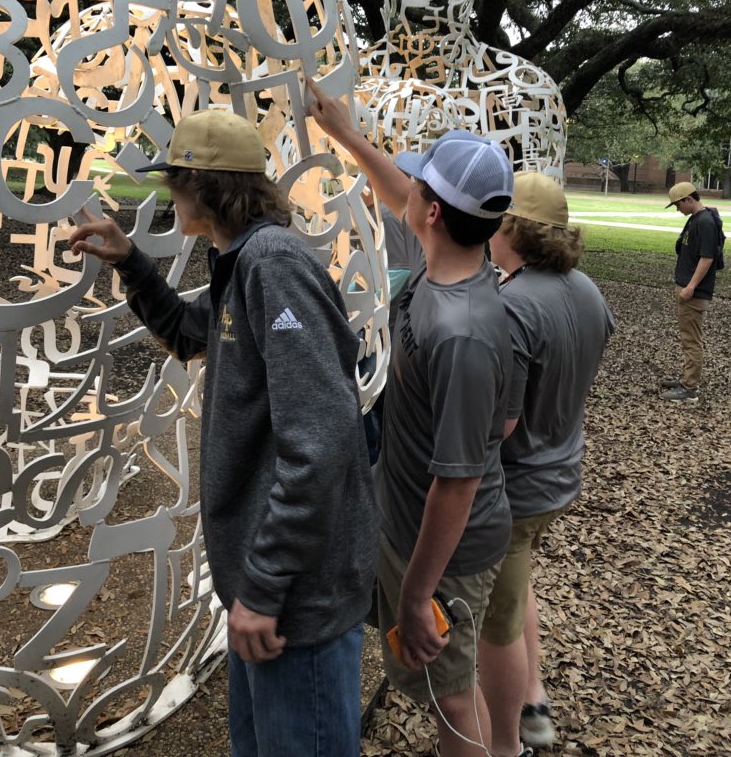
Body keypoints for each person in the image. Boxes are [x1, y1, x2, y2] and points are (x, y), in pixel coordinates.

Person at [68, 109, 378, 757]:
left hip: (296, 601)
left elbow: (319, 441)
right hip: (266, 594)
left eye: (175, 181)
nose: (168, 194)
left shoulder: (274, 267)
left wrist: (265, 588)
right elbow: (188, 333)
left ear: (206, 188)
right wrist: (130, 261)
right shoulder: (241, 263)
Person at [308, 80, 530, 757]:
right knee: (443, 687)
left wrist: (417, 592)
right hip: (410, 525)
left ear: (432, 213)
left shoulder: (461, 330)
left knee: (449, 697)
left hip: (443, 556)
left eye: (419, 190)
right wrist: (345, 134)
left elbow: (457, 482)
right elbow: (395, 191)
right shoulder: (448, 271)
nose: (407, 195)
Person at [476, 172, 614, 752]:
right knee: (517, 582)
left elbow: (498, 425)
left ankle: (513, 737)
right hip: (561, 477)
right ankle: (533, 693)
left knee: (495, 626)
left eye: (496, 223)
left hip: (517, 491)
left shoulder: (511, 306)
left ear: (514, 230)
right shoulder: (587, 291)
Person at [660, 181, 719, 402]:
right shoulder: (697, 219)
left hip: (693, 292)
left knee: (691, 340)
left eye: (678, 204)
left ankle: (689, 389)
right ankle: (686, 379)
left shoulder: (705, 222)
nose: (677, 209)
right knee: (688, 338)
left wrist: (691, 286)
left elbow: (707, 258)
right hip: (687, 288)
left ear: (689, 199)